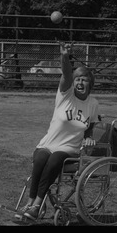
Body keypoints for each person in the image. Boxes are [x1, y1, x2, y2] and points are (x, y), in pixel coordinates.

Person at [18, 41, 99, 221]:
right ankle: (30, 203)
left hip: (69, 149)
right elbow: (66, 76)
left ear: (90, 83)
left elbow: (90, 128)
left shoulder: (93, 104)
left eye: (84, 79)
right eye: (77, 79)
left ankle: (36, 205)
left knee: (54, 160)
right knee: (40, 158)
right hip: (48, 143)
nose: (79, 82)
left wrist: (89, 138)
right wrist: (64, 57)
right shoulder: (65, 94)